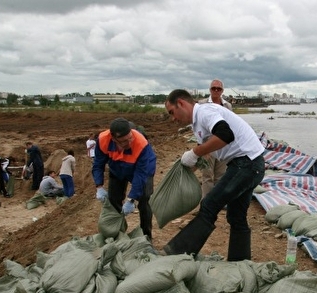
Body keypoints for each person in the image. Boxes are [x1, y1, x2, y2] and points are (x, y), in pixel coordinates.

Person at [163, 89, 265, 261]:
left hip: (247, 164)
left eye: (172, 112)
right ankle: (240, 262)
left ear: (181, 103)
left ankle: (178, 254)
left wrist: (195, 152)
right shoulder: (197, 123)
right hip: (250, 165)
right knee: (236, 216)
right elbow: (210, 148)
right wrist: (190, 164)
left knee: (209, 204)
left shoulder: (204, 112)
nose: (173, 118)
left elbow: (226, 135)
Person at [92, 117, 157, 239]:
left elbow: (140, 174)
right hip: (117, 168)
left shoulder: (141, 144)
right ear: (114, 139)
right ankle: (117, 232)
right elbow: (98, 164)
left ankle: (146, 235)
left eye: (130, 138)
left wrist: (131, 199)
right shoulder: (103, 140)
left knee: (144, 200)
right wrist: (99, 186)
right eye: (124, 141)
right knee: (114, 199)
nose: (129, 143)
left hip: (142, 169)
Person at [197, 79, 233, 198]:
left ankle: (217, 202)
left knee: (221, 175)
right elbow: (198, 126)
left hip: (223, 146)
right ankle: (205, 203)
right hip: (208, 144)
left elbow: (231, 125)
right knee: (207, 175)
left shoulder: (227, 106)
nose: (216, 91)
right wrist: (201, 146)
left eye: (219, 89)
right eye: (214, 88)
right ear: (210, 90)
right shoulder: (202, 104)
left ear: (222, 91)